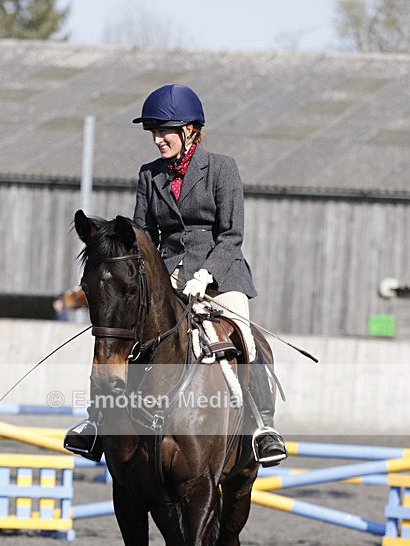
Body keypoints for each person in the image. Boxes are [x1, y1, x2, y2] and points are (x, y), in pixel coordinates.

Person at [65, 84, 286, 466]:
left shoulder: (222, 168)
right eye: (153, 131)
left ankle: (261, 426)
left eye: (164, 130)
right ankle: (97, 420)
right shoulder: (150, 176)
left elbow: (232, 235)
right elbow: (143, 234)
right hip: (166, 276)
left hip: (220, 274)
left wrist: (205, 273)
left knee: (245, 335)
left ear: (189, 130)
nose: (157, 139)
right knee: (120, 332)